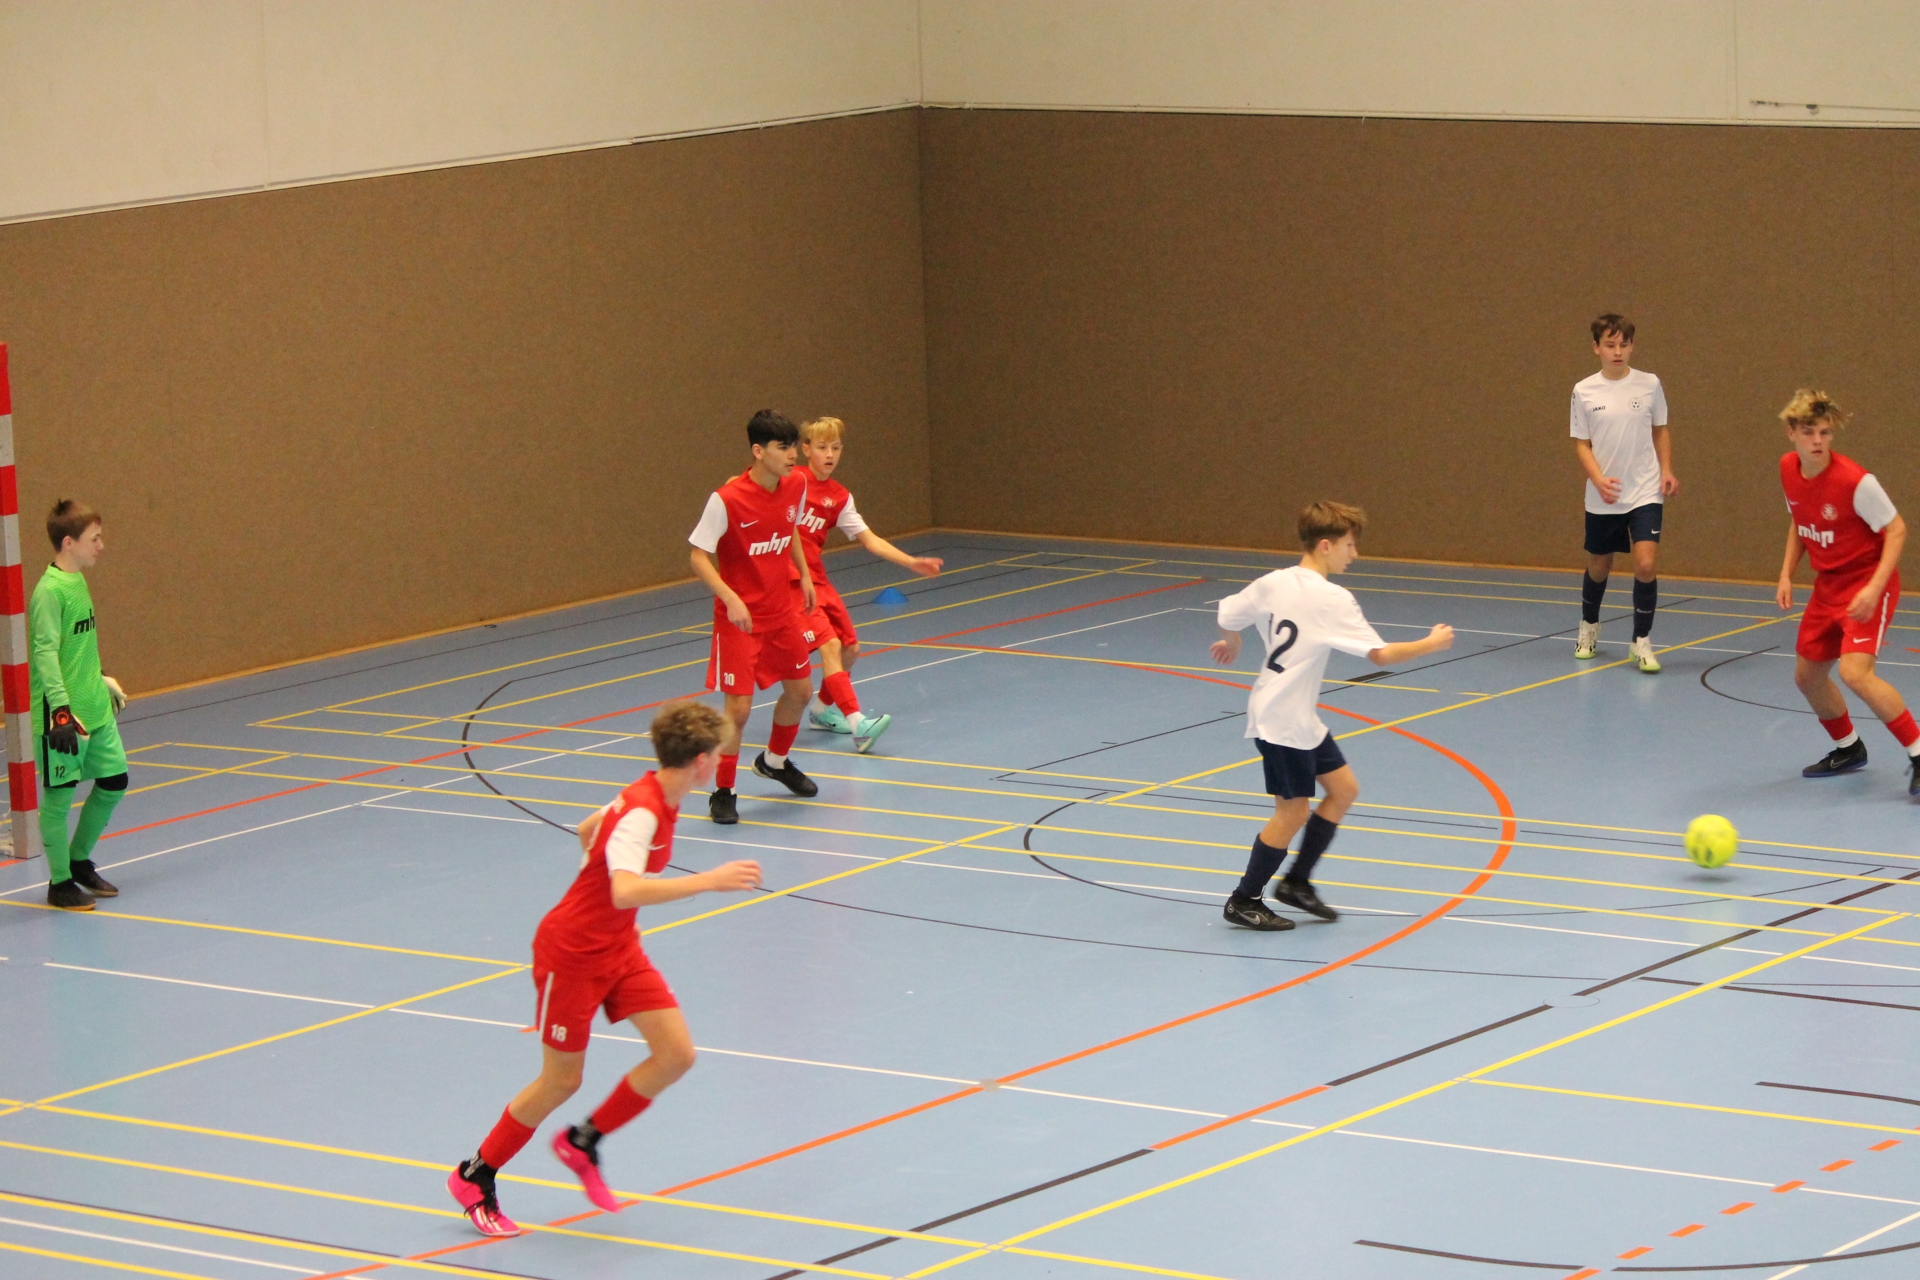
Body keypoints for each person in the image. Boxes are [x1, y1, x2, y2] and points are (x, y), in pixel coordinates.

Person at [447, 701, 762, 1236]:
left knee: (676, 1055)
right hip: (572, 953)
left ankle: (582, 1141)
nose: (721, 758)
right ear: (701, 761)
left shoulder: (658, 795)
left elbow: (588, 828)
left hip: (618, 947)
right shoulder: (643, 810)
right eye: (718, 752)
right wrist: (708, 881)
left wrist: (598, 882)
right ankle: (474, 1174)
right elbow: (624, 890)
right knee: (561, 1080)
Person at [1211, 502, 1453, 930]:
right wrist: (1429, 644)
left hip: (1293, 713)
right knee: (1292, 812)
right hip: (1281, 719)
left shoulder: (1274, 581)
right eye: (1349, 545)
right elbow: (1380, 655)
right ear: (1325, 546)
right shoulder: (1331, 599)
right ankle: (1244, 899)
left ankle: (1296, 882)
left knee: (1343, 790)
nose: (1354, 554)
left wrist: (1231, 640)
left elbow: (1228, 612)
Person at [1774, 391, 1918, 790]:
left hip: (1868, 582)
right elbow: (1799, 521)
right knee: (1807, 676)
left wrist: (1874, 589)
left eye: (1825, 432)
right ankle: (1848, 747)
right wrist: (1786, 574)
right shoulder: (1788, 469)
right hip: (1828, 586)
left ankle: (1919, 753)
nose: (1817, 440)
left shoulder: (1856, 481)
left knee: (1855, 673)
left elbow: (1897, 530)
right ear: (1791, 433)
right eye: (1809, 432)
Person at [688, 410, 821, 825]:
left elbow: (790, 527)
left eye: (794, 446)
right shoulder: (726, 499)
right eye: (784, 447)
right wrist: (730, 598)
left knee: (801, 692)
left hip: (782, 612)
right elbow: (698, 556)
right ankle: (723, 792)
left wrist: (804, 575)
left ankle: (774, 762)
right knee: (740, 710)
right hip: (740, 620)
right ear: (759, 451)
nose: (793, 454)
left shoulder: (796, 484)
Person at [792, 416, 943, 753]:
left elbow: (870, 540)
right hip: (790, 581)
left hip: (818, 578)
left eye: (835, 448)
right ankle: (858, 724)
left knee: (850, 649)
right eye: (821, 447)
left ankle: (821, 711)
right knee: (830, 646)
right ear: (806, 450)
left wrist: (911, 562)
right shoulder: (791, 481)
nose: (829, 454)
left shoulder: (839, 496)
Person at [31, 500, 130, 911]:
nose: (101, 546)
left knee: (114, 781)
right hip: (65, 716)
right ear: (69, 543)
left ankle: (79, 861)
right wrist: (60, 713)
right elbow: (45, 653)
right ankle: (59, 884)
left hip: (95, 707)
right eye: (95, 539)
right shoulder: (49, 592)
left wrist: (100, 676)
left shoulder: (77, 582)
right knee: (59, 798)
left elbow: (77, 645)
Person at [1570, 313, 1678, 671]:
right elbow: (1582, 443)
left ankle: (1641, 641)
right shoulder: (1584, 390)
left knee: (1645, 564)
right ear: (1596, 348)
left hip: (1645, 490)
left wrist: (1666, 470)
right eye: (1610, 345)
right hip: (1605, 495)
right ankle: (1589, 625)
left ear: (1632, 347)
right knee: (1599, 566)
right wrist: (1599, 479)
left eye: (1624, 345)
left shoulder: (1649, 384)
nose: (1618, 352)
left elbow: (1660, 429)